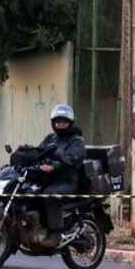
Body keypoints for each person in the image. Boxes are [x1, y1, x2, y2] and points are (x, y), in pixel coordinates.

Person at [31, 103, 88, 248]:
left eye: (64, 121)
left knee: (50, 195)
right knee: (29, 191)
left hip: (67, 181)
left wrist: (54, 166)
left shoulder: (76, 141)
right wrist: (25, 154)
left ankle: (55, 233)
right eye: (58, 121)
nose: (60, 124)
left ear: (70, 123)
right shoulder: (51, 138)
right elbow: (39, 152)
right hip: (49, 179)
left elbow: (72, 159)